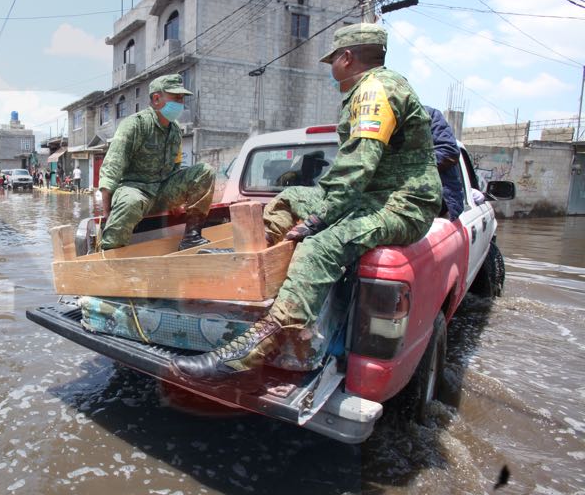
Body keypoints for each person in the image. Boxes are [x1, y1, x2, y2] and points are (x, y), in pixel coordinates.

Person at [172, 23, 442, 379]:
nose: (331, 69)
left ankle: (256, 347)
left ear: (347, 58)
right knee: (290, 198)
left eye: (333, 60)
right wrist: (315, 210)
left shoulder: (374, 91)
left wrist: (317, 221)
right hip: (369, 198)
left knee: (320, 246)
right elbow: (347, 179)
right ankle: (256, 269)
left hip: (401, 205)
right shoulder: (371, 88)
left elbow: (355, 168)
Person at [98, 73, 216, 251]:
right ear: (156, 98)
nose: (180, 103)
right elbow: (112, 169)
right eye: (176, 98)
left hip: (161, 191)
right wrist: (107, 213)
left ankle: (192, 237)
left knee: (205, 171)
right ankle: (109, 252)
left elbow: (175, 168)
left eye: (182, 98)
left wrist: (176, 202)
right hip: (135, 190)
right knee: (130, 203)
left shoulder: (175, 131)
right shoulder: (135, 125)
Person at [424, 106, 464, 220]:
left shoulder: (428, 115)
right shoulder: (374, 119)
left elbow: (449, 152)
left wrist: (404, 164)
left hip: (438, 203)